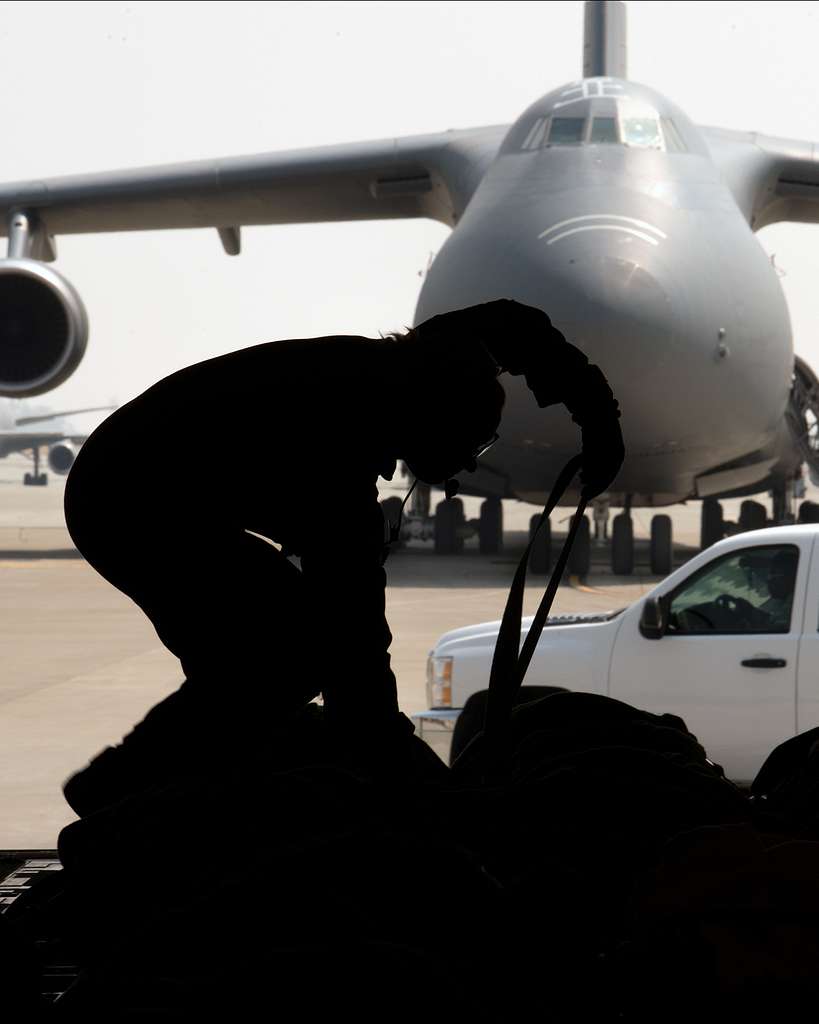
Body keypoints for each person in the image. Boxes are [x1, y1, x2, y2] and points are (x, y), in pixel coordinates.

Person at [61, 298, 623, 815]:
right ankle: (123, 790)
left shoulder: (419, 364)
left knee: (267, 666)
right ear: (433, 420)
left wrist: (597, 414)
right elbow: (354, 648)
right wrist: (421, 783)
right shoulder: (335, 460)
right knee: (282, 660)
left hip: (136, 489)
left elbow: (513, 323)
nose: (469, 465)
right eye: (470, 444)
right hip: (130, 507)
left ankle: (166, 789)